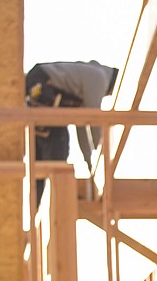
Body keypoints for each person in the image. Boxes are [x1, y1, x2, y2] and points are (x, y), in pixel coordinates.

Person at [25, 60, 118, 205]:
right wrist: (103, 159)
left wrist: (90, 165)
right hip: (42, 84)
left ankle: (38, 209)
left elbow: (82, 128)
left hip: (40, 88)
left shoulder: (86, 81)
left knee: (42, 160)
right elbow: (95, 122)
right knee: (57, 152)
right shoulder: (99, 78)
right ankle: (55, 205)